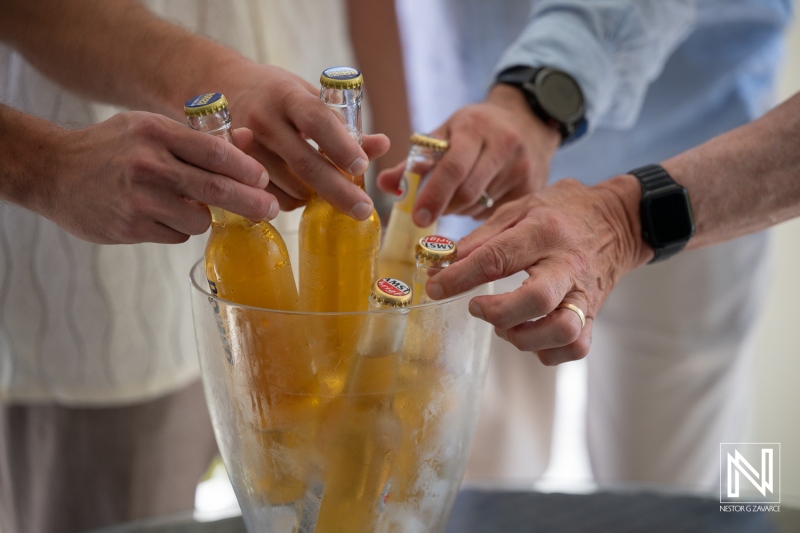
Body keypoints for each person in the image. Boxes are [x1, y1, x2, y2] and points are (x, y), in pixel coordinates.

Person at [0, 1, 408, 532]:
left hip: (297, 176)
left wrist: (393, 184)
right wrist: (45, 164)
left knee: (328, 510)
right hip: (113, 304)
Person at [383, 0, 790, 489]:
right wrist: (406, 193)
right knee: (467, 472)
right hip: (478, 172)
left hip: (692, 173)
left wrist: (536, 99)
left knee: (668, 490)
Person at [428, 86, 800, 382]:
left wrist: (623, 220)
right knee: (490, 436)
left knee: (657, 450)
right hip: (489, 189)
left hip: (701, 181)